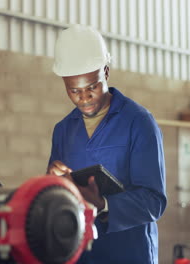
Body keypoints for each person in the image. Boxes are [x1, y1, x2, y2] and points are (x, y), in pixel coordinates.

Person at [46, 24, 167, 264]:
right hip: (81, 253)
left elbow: (154, 201)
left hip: (130, 254)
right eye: (74, 90)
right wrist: (53, 181)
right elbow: (55, 199)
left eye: (92, 87)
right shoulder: (63, 130)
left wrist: (102, 204)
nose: (84, 97)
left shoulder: (138, 122)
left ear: (106, 72)